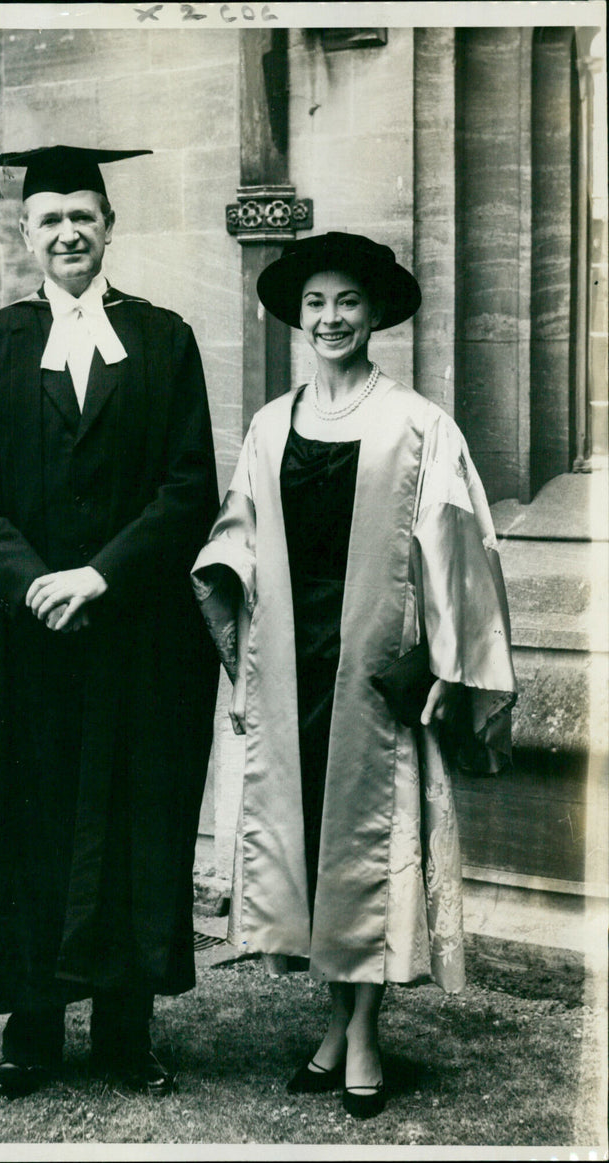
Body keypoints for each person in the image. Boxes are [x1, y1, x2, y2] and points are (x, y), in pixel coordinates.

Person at [191, 231, 517, 1119]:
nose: (330, 318)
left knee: (369, 852)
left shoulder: (416, 424)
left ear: (376, 313)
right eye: (315, 305)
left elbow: (459, 548)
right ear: (298, 319)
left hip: (377, 673)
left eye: (347, 302)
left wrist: (450, 661)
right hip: (293, 668)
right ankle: (334, 1025)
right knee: (306, 855)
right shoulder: (270, 423)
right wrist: (232, 614)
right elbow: (236, 537)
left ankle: (364, 1032)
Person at [0, 145, 219, 1100]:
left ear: (108, 226)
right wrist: (32, 583)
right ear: (26, 234)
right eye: (50, 219)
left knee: (136, 816)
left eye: (83, 216)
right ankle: (33, 1027)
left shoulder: (165, 340)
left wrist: (99, 576)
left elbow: (188, 488)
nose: (68, 233)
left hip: (135, 635)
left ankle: (127, 1031)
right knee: (31, 817)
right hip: (23, 644)